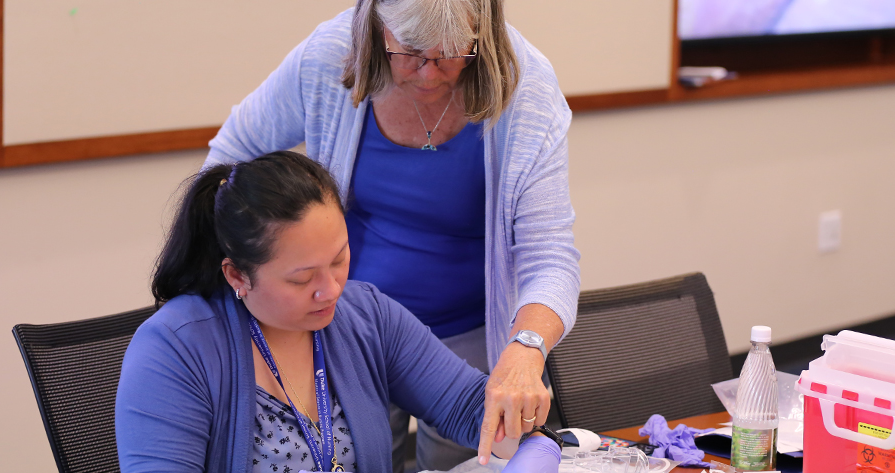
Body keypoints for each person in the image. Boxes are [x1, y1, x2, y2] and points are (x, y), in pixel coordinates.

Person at [204, 1, 580, 470]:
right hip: (346, 337)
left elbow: (551, 257)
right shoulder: (329, 56)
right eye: (412, 53)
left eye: (451, 56)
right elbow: (228, 161)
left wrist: (527, 348)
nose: (429, 74)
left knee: (474, 458)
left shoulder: (526, 89)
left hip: (463, 352)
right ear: (378, 28)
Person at [115, 152, 561, 473]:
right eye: (301, 278)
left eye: (340, 259)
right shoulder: (175, 350)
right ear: (237, 275)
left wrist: (523, 420)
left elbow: (466, 407)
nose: (330, 290)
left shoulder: (364, 315)